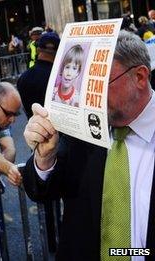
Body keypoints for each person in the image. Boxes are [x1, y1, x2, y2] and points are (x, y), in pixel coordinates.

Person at [22, 30, 155, 260]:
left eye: (100, 84)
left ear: (140, 77)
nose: (90, 97)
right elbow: (42, 189)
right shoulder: (82, 129)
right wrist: (44, 158)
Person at [17, 32, 60, 118]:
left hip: (34, 127)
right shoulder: (60, 79)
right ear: (58, 52)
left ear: (38, 50)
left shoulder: (23, 78)